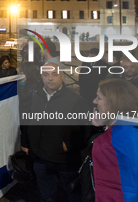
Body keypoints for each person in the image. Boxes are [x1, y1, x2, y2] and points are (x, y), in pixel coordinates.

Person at [88, 79, 138, 202]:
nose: (94, 101)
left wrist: (99, 129)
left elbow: (100, 148)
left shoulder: (123, 136)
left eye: (99, 98)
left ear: (112, 102)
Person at [21, 61, 90, 202]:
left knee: (73, 195)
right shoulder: (35, 96)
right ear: (41, 76)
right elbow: (28, 120)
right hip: (39, 157)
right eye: (46, 75)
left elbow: (87, 131)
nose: (50, 78)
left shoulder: (76, 101)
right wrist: (25, 142)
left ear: (62, 76)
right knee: (47, 195)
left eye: (54, 74)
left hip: (65, 160)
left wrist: (70, 145)